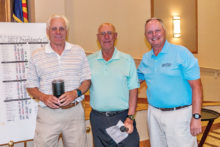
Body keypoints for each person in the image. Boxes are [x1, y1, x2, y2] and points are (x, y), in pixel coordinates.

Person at [26, 14, 91, 147]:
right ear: (47, 31)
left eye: (61, 28)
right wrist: (44, 97)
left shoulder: (78, 51)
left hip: (74, 113)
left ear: (67, 31)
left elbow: (87, 80)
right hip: (48, 115)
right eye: (54, 28)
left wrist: (75, 93)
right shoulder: (37, 55)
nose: (58, 32)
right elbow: (30, 86)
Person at [137, 18, 203, 147]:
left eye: (157, 30)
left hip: (179, 115)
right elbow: (135, 80)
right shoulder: (146, 58)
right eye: (150, 32)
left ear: (164, 32)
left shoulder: (181, 53)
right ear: (145, 36)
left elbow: (197, 87)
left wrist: (196, 117)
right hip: (154, 115)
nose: (154, 35)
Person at [88, 23, 140, 147]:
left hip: (122, 118)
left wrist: (130, 117)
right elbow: (82, 84)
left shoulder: (127, 60)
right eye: (103, 34)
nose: (106, 37)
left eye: (109, 33)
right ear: (98, 37)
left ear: (115, 36)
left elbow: (133, 90)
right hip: (98, 120)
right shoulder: (89, 61)